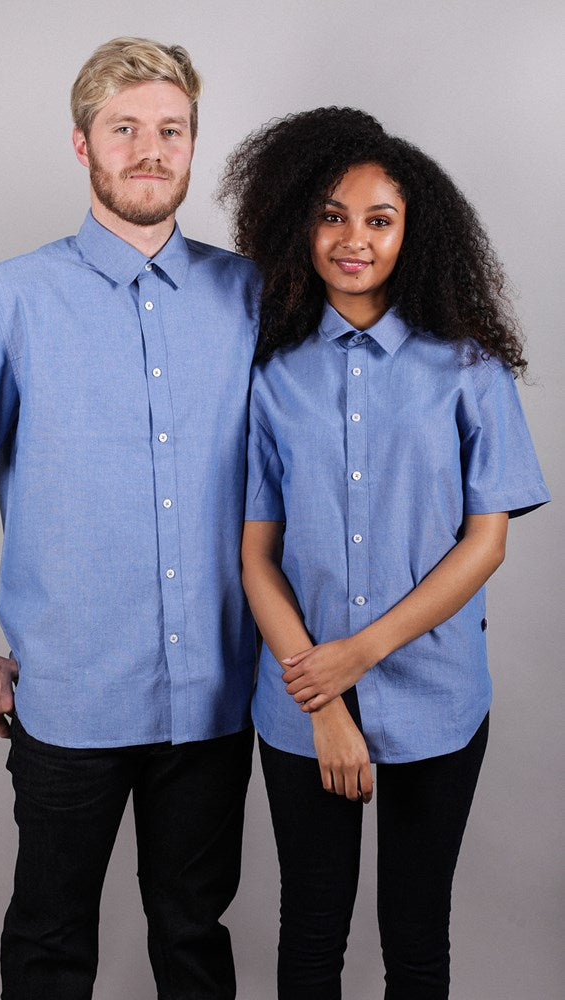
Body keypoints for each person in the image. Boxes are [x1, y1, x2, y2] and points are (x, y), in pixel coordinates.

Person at [0, 36, 259, 1000]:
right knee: (49, 942)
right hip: (67, 695)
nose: (151, 150)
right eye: (125, 129)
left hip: (215, 695)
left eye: (171, 129)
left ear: (192, 143)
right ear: (82, 145)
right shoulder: (7, 298)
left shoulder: (250, 294)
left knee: (194, 939)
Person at [219, 107, 550, 999]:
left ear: (415, 232)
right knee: (310, 931)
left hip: (438, 700)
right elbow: (257, 556)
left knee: (416, 937)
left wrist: (357, 657)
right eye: (331, 215)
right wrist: (321, 697)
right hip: (300, 703)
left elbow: (484, 545)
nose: (352, 239)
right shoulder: (271, 375)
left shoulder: (469, 368)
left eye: (378, 218)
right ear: (299, 222)